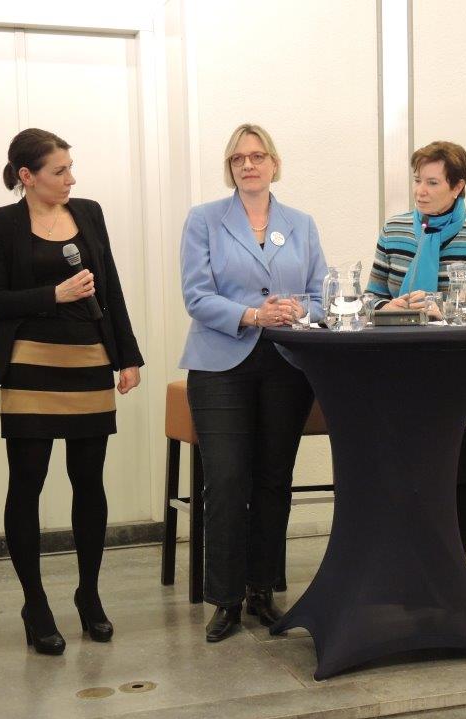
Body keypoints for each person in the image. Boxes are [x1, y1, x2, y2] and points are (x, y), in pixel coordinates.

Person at [0, 129, 143, 655]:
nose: (71, 178)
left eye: (71, 168)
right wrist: (54, 294)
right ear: (27, 176)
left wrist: (128, 355)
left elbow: (110, 287)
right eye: (59, 170)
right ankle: (35, 603)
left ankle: (88, 594)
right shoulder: (1, 223)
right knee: (27, 482)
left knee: (88, 482)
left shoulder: (88, 213)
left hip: (89, 360)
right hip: (29, 367)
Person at [180, 123, 327, 642]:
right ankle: (225, 599)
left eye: (258, 156)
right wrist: (252, 314)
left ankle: (262, 590)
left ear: (274, 164)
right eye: (239, 158)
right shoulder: (204, 220)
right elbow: (196, 295)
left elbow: (321, 296)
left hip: (286, 364)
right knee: (225, 480)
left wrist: (295, 310)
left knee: (272, 479)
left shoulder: (301, 224)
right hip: (221, 363)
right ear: (230, 168)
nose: (249, 164)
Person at [366, 140, 466, 553]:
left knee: (457, 481)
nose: (421, 191)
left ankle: (452, 571)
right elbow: (368, 299)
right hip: (399, 382)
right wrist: (388, 306)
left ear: (458, 186)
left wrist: (445, 308)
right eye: (418, 180)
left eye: (432, 183)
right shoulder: (395, 230)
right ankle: (407, 570)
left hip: (463, 385)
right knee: (403, 480)